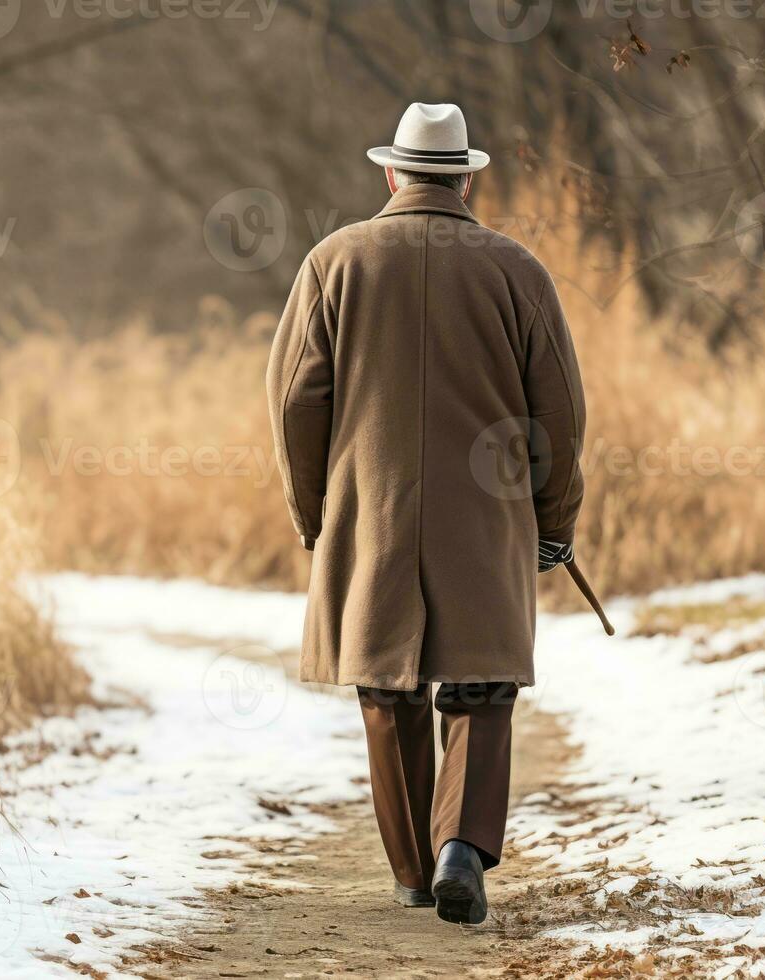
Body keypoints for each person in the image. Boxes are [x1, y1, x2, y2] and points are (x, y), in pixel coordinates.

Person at [265, 102, 588, 924]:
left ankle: (412, 870)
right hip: (487, 515)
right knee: (481, 687)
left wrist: (315, 516)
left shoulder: (332, 262)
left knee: (386, 689)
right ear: (468, 177)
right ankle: (461, 848)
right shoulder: (516, 269)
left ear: (390, 173)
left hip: (368, 509)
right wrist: (554, 524)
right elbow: (557, 414)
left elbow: (296, 405)